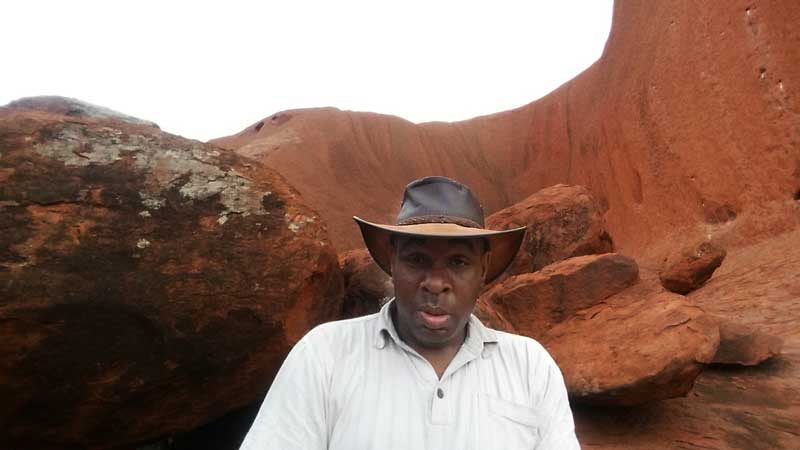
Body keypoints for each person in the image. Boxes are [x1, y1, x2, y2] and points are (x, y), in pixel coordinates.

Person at [239, 176, 581, 450]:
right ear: (392, 262)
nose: (435, 283)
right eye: (416, 259)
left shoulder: (529, 367)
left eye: (458, 262)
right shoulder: (325, 355)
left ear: (482, 269)